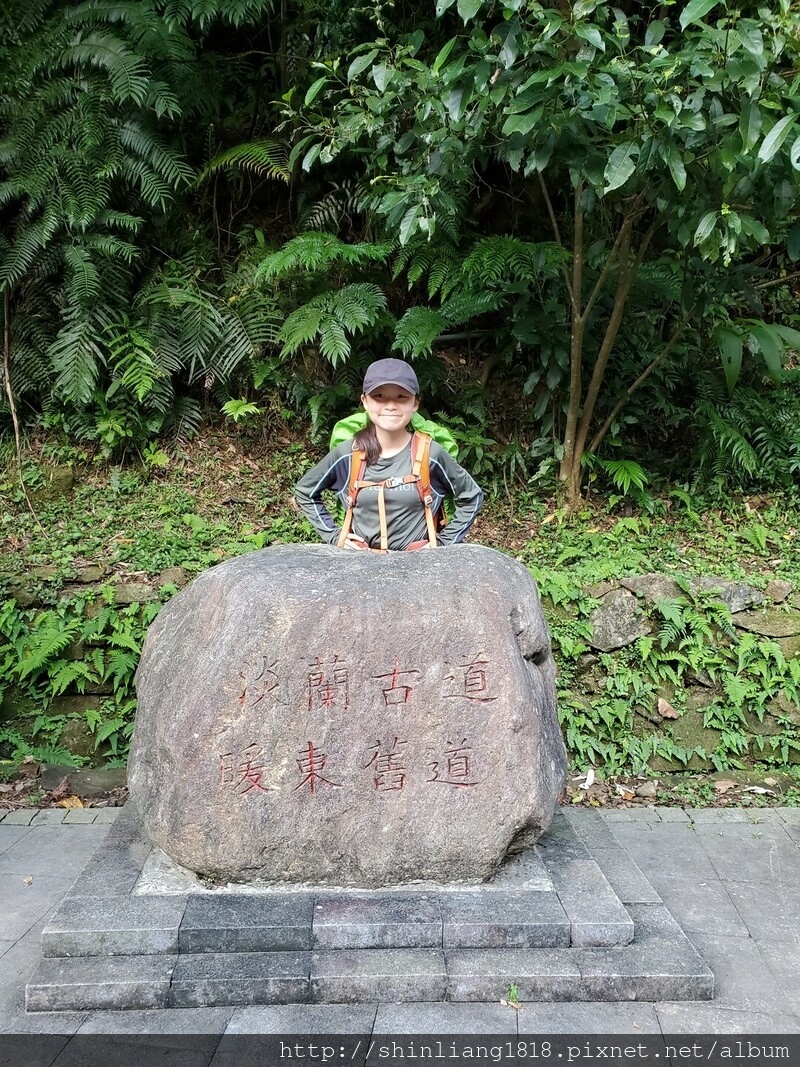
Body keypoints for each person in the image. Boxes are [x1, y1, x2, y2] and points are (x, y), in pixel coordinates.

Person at [294, 358, 484, 551]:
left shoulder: (430, 454)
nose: (391, 405)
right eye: (380, 396)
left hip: (418, 570)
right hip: (361, 568)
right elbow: (306, 491)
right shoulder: (349, 455)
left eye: (402, 396)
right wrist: (335, 536)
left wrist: (443, 544)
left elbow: (472, 496)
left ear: (415, 403)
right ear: (365, 401)